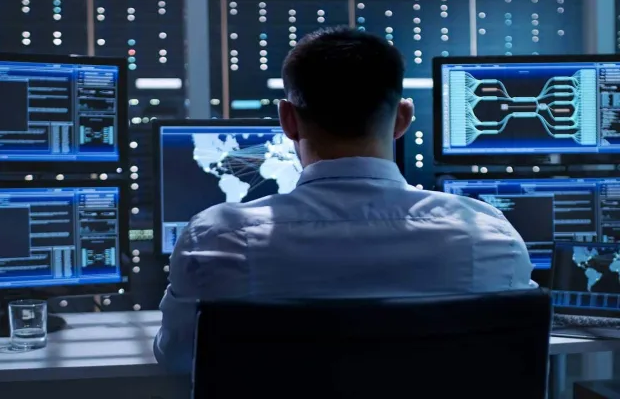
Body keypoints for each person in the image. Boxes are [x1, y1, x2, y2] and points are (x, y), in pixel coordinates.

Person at [154, 26, 536, 372]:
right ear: (403, 119)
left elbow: (177, 356)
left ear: (287, 120)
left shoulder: (218, 238)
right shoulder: (488, 236)